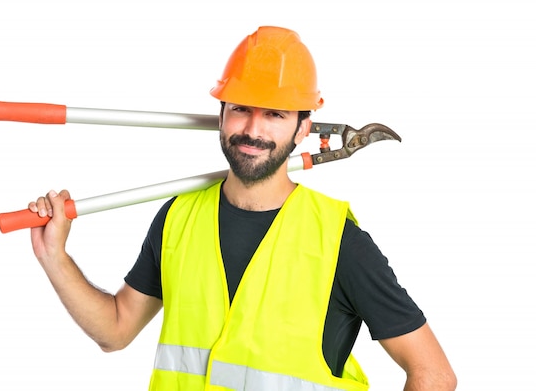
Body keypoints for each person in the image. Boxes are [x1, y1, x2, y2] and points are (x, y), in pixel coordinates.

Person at [28, 26, 457, 390]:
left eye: (274, 114)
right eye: (241, 110)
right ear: (220, 116)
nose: (253, 129)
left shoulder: (340, 242)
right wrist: (55, 257)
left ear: (303, 128)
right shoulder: (177, 219)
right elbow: (116, 331)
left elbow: (434, 373)